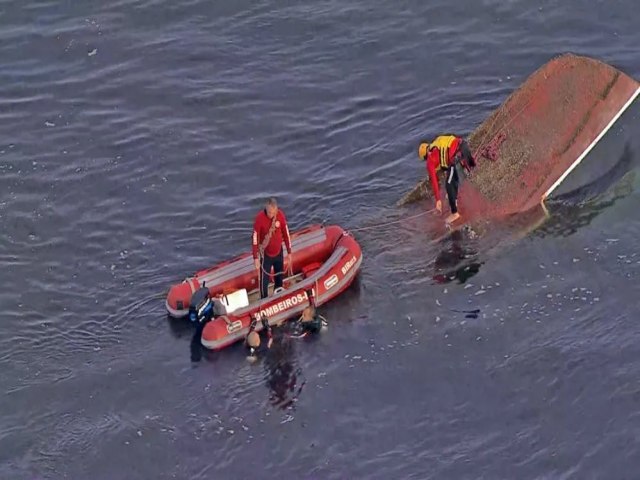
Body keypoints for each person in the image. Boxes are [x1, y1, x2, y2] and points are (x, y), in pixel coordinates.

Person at [418, 134, 477, 224]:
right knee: (454, 178)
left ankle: (455, 213)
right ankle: (471, 165)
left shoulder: (430, 161)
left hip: (456, 157)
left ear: (426, 156)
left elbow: (434, 182)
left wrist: (438, 200)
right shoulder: (437, 142)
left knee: (449, 184)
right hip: (464, 146)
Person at [252, 197, 293, 299]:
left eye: (273, 213)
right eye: (269, 212)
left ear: (276, 210)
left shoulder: (280, 215)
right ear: (266, 208)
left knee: (279, 277)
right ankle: (264, 300)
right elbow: (255, 238)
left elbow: (286, 233)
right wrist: (255, 258)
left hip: (278, 252)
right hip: (266, 255)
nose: (271, 215)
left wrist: (289, 251)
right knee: (264, 281)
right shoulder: (259, 219)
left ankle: (278, 296)